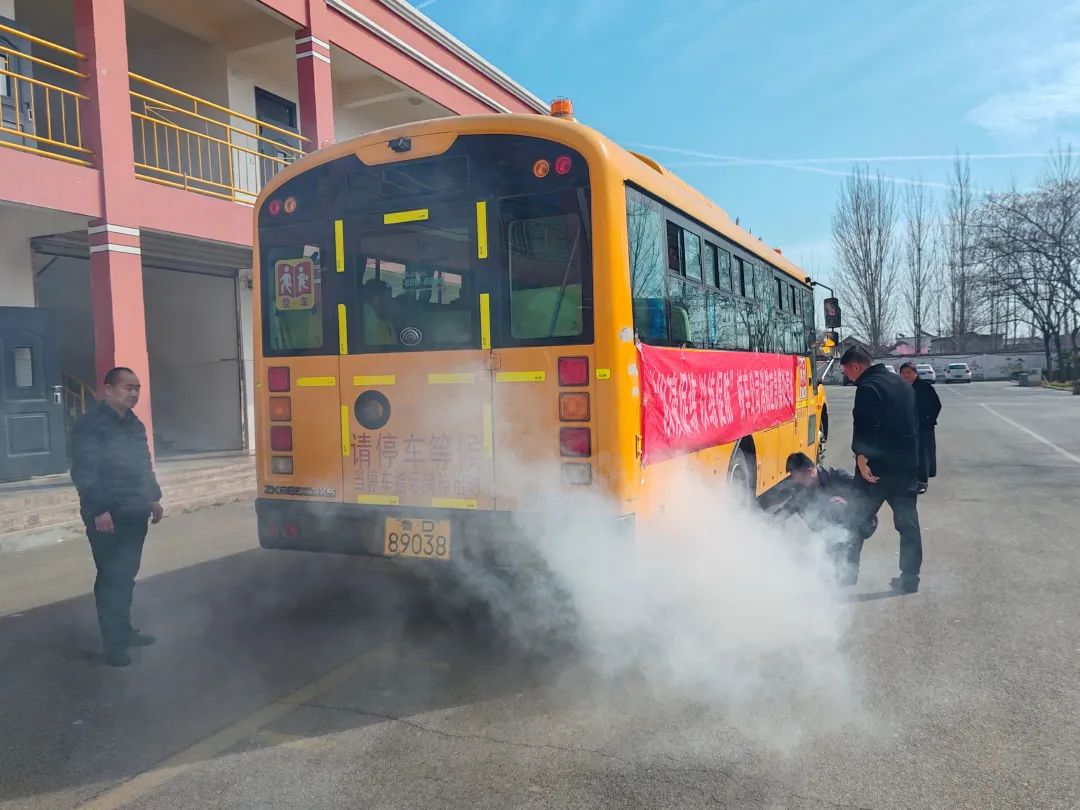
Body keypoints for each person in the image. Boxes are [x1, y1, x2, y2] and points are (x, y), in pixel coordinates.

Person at [70, 368, 164, 667]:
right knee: (112, 577)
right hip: (107, 515)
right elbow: (84, 471)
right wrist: (98, 510)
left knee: (126, 574)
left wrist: (153, 498)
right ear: (108, 390)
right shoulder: (91, 426)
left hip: (134, 510)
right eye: (127, 387)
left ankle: (124, 630)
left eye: (137, 388)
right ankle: (114, 645)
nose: (134, 393)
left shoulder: (134, 423)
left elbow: (143, 464)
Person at [839, 346, 924, 594]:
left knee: (855, 520)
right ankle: (910, 579)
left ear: (856, 366)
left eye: (846, 371)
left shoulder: (868, 387)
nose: (847, 376)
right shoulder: (903, 384)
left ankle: (847, 574)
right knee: (908, 525)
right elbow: (914, 426)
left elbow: (865, 427)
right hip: (905, 468)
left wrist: (862, 459)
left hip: (875, 472)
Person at [777, 452, 877, 584]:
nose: (795, 481)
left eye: (797, 477)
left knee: (846, 576)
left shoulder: (838, 477)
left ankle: (850, 571)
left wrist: (847, 502)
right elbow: (790, 507)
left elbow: (865, 495)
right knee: (828, 573)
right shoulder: (801, 488)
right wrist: (769, 521)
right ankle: (833, 569)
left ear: (809, 472)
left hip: (856, 522)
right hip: (829, 530)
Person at [899, 362, 942, 493]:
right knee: (907, 453)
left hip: (923, 427)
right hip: (906, 427)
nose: (906, 375)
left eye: (909, 372)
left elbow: (936, 405)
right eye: (903, 373)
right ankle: (908, 479)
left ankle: (922, 482)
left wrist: (929, 420)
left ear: (915, 373)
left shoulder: (924, 387)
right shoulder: (899, 388)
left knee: (922, 454)